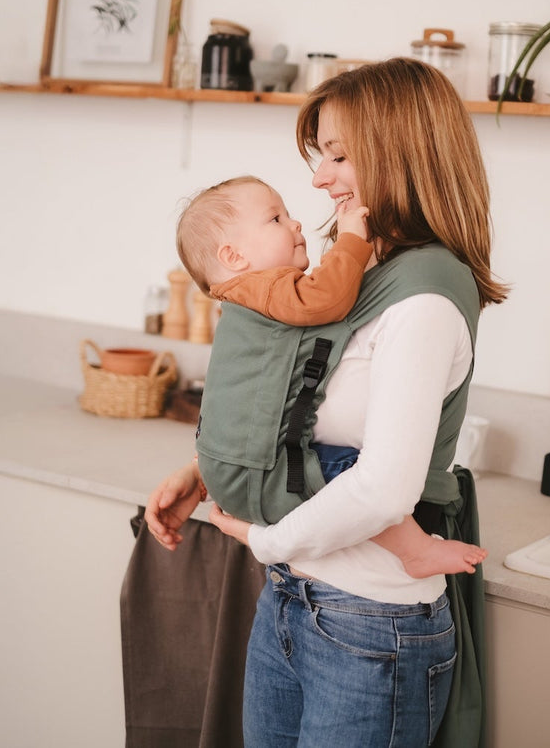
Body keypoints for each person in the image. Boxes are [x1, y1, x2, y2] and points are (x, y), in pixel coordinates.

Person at [145, 56, 507, 747]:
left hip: (372, 627)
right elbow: (299, 408)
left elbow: (383, 488)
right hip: (293, 598)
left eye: (338, 156)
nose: (318, 179)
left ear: (399, 155)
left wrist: (264, 538)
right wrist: (214, 472)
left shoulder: (424, 298)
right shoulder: (360, 273)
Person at [174, 173, 488, 578]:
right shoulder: (264, 289)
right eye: (275, 219)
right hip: (260, 492)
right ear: (234, 257)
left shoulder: (255, 299)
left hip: (239, 476)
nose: (295, 223)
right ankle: (415, 549)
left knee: (347, 473)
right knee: (345, 472)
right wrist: (351, 241)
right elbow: (326, 298)